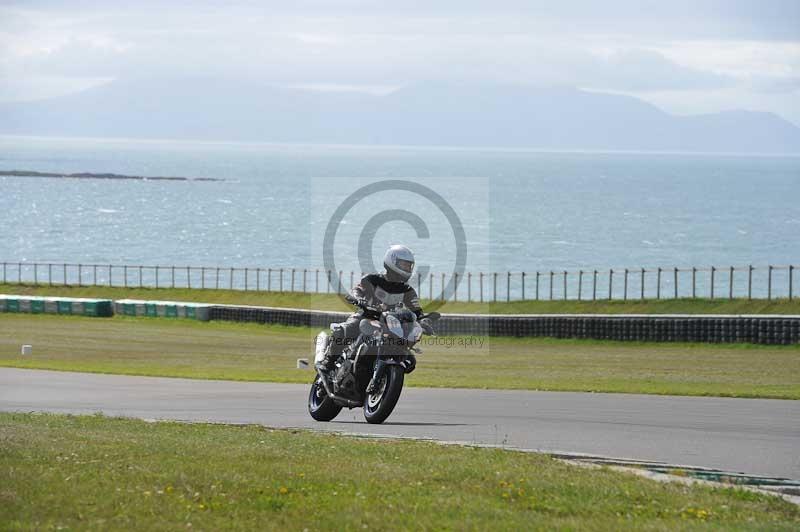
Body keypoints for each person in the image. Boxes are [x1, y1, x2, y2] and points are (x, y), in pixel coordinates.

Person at [317, 244, 423, 373]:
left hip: (389, 325)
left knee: (409, 359)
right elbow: (357, 290)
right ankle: (328, 362)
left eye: (409, 266)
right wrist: (357, 297)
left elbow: (417, 310)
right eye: (404, 265)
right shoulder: (372, 279)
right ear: (392, 261)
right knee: (344, 330)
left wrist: (424, 321)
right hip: (366, 316)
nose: (407, 268)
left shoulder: (408, 291)